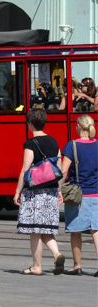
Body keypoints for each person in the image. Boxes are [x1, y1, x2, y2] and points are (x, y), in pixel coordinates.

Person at [12, 108, 65, 275]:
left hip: (34, 192)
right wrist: (59, 190)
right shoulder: (54, 142)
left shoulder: (30, 144)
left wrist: (17, 192)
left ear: (29, 124)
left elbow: (24, 170)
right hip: (50, 191)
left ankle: (36, 266)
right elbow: (59, 169)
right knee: (46, 228)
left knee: (34, 230)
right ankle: (57, 254)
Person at [59, 114, 98, 277]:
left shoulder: (71, 146)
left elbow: (63, 171)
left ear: (79, 127)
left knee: (76, 231)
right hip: (96, 194)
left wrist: (58, 189)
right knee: (96, 230)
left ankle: (77, 266)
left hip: (78, 195)